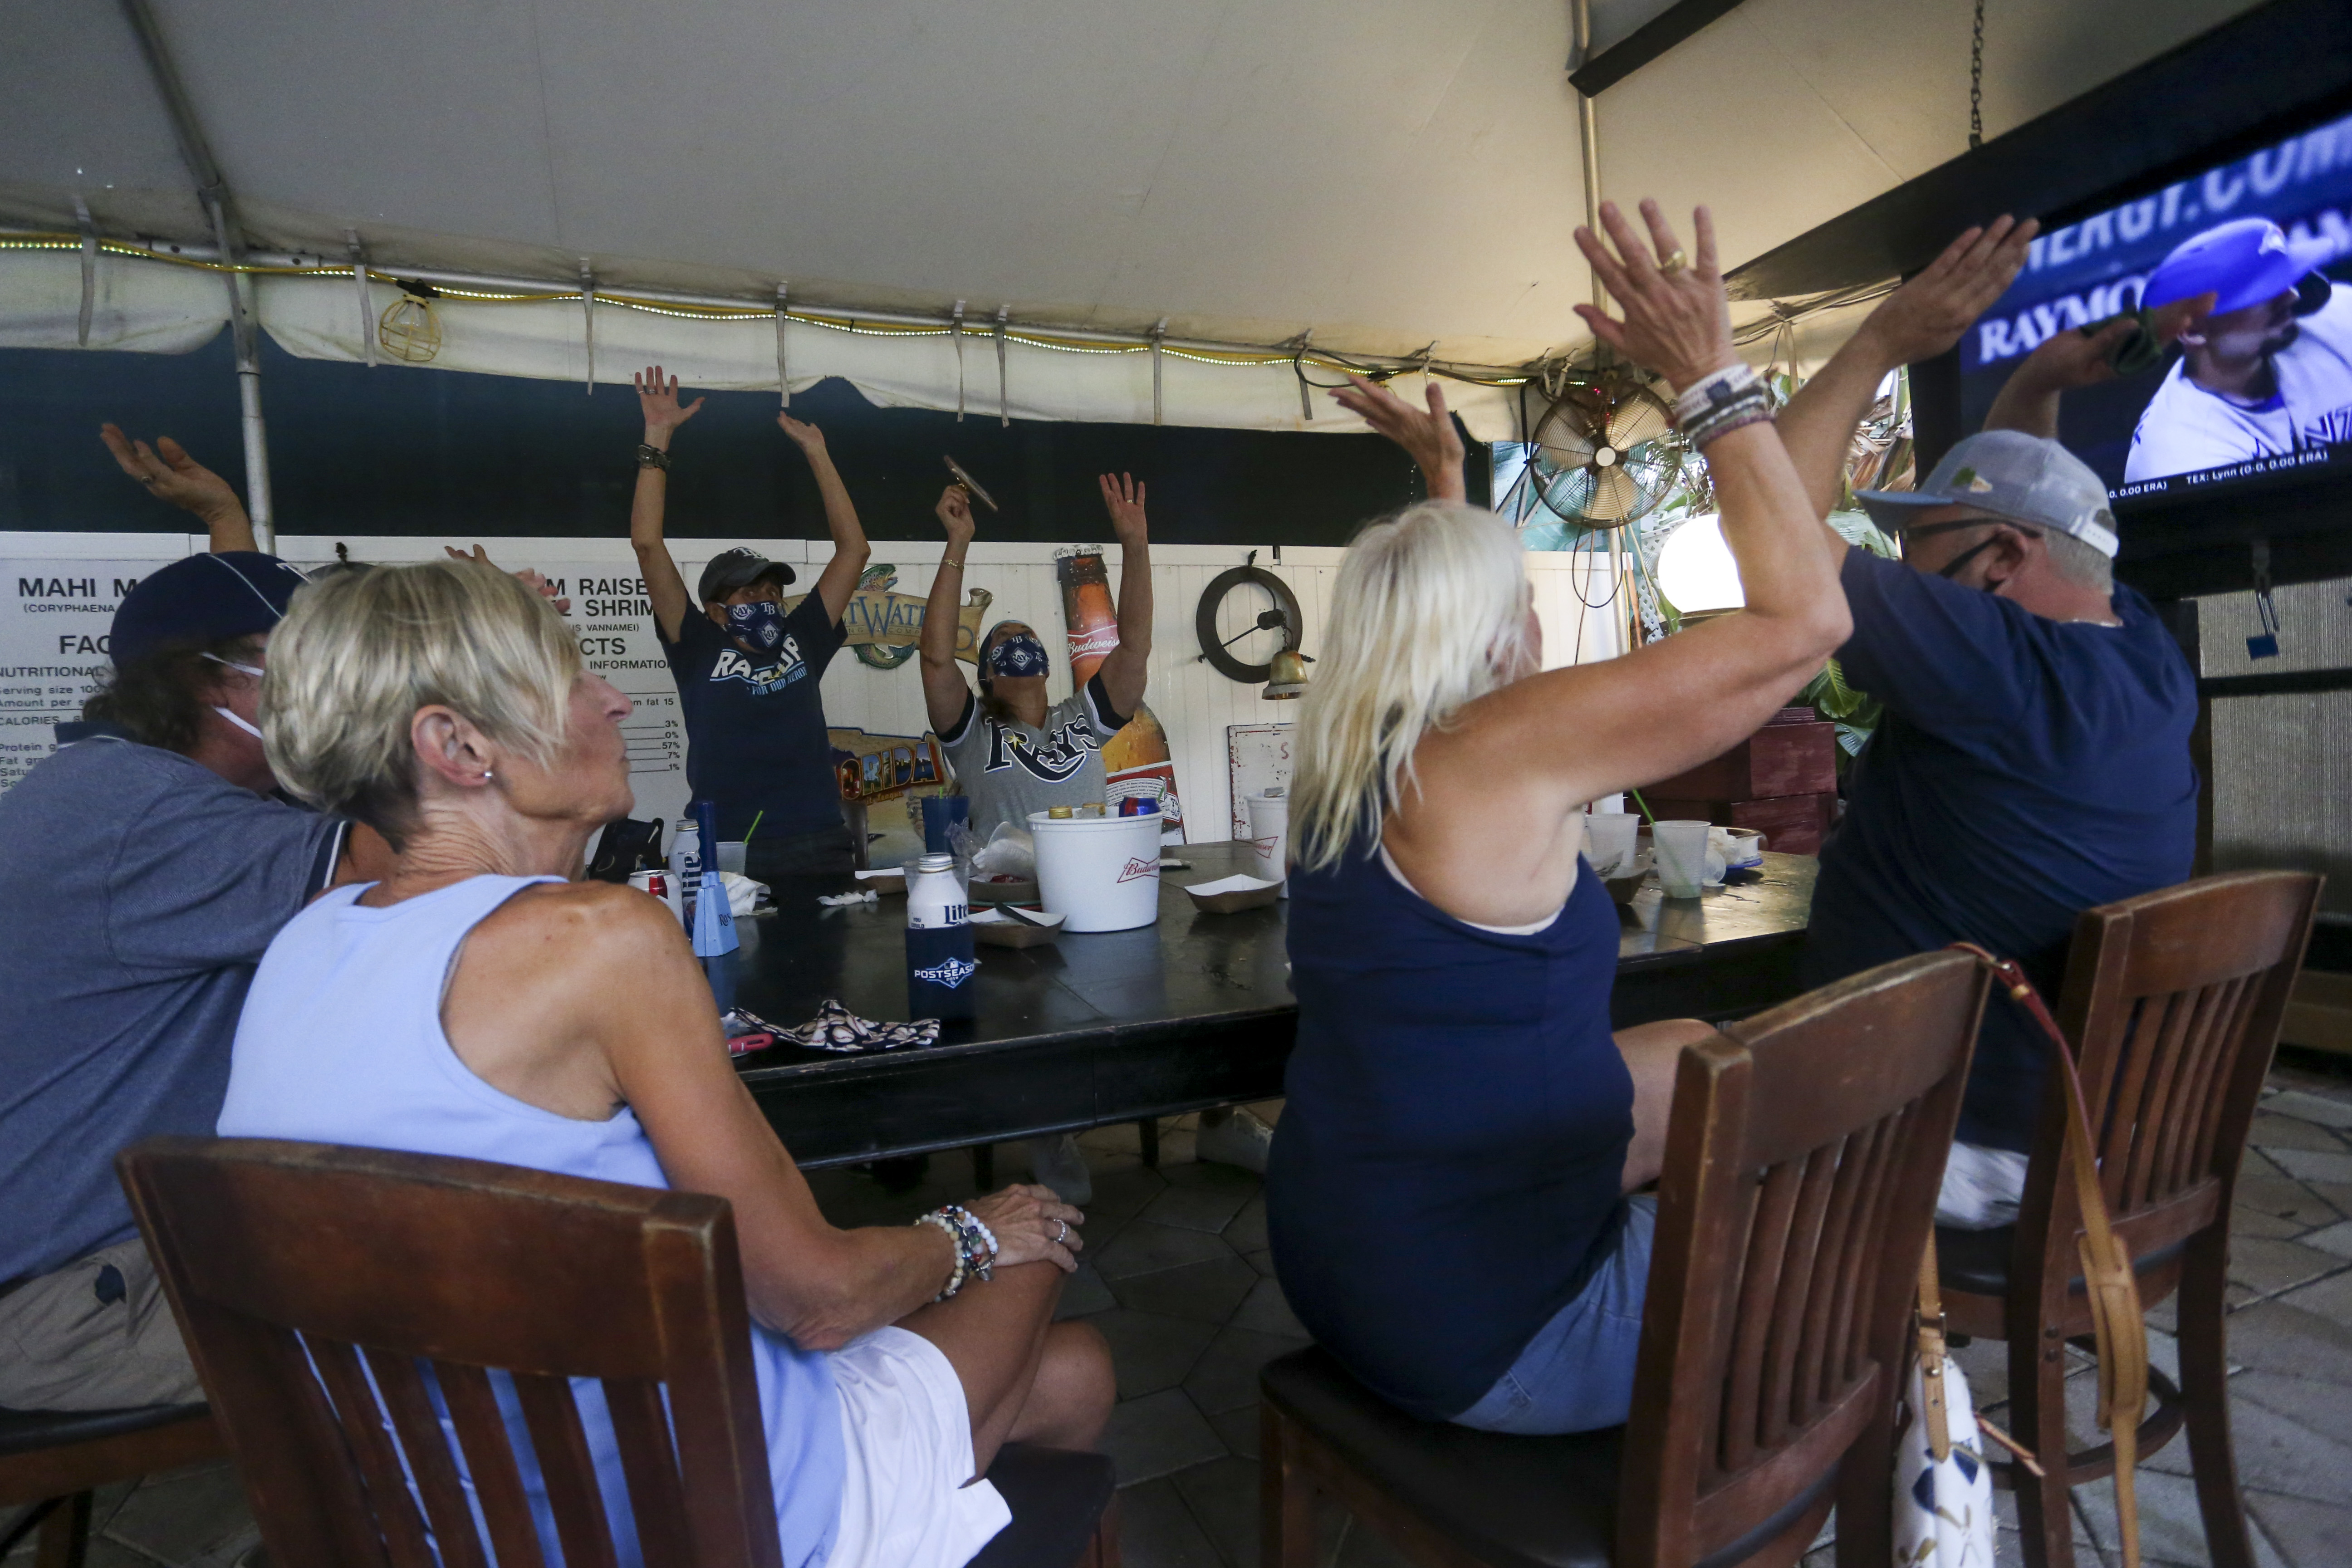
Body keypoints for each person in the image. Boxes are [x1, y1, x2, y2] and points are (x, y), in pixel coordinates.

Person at [220, 557, 1112, 1568]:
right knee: (1039, 1245)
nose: (616, 698)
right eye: (569, 678)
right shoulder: (604, 939)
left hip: (454, 1513)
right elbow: (818, 1303)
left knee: (1072, 1373)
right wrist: (971, 1230)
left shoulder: (304, 946)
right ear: (457, 745)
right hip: (712, 1517)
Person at [1266, 201, 1852, 1433]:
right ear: (1490, 636)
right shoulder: (1488, 757)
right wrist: (1710, 381)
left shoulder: (1353, 753)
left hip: (1348, 1263)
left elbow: (1447, 615)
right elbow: (1806, 623)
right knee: (1847, 1221)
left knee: (1698, 1042)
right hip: (1502, 1337)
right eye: (1516, 604)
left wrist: (1441, 486)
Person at [1777, 219, 2203, 1227]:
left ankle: (1801, 1364)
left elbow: (1770, 531)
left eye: (1920, 542)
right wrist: (2039, 388)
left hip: (1924, 1139)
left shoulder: (1992, 668)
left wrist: (1882, 341)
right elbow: (2044, 515)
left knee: (1625, 1101)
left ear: (2005, 560)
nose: (1907, 570)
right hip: (2061, 1129)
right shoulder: (2141, 653)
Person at [0, 430, 385, 1411]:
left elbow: (232, 631)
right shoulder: (150, 821)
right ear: (214, 682)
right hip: (70, 1306)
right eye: (317, 667)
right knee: (486, 1296)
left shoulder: (119, 783)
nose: (337, 693)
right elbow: (418, 855)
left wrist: (228, 529)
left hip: (94, 1257)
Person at [918, 475, 1157, 1204]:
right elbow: (934, 661)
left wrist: (1135, 546)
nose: (1017, 644)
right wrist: (956, 546)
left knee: (1149, 1008)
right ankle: (1051, 1141)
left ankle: (1204, 1111)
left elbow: (1135, 648)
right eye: (1002, 643)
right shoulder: (972, 732)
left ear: (1048, 665)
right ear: (988, 672)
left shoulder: (1082, 719)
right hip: (1010, 910)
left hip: (1091, 898)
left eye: (1027, 640)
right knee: (1035, 1027)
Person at [630, 365, 871, 888]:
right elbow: (648, 544)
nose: (764, 599)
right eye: (748, 592)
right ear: (716, 610)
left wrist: (819, 455)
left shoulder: (801, 637)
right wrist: (658, 438)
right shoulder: (695, 644)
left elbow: (855, 551)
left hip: (817, 838)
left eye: (771, 591)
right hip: (724, 844)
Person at [2126, 216, 2352, 481]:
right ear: (2193, 331)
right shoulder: (2180, 457)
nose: (2293, 296)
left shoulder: (2334, 315)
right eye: (2264, 292)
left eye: (2285, 281)